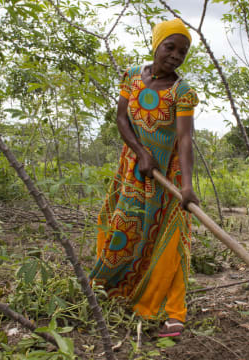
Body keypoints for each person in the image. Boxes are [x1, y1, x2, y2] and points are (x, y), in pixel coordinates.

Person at [89, 18, 199, 337]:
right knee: (120, 226)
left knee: (170, 242)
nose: (176, 55)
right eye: (170, 47)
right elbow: (121, 118)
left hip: (169, 177)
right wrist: (140, 151)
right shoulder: (133, 77)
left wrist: (187, 186)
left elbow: (186, 139)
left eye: (183, 51)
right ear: (156, 44)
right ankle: (112, 291)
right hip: (134, 170)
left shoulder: (183, 92)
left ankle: (174, 312)